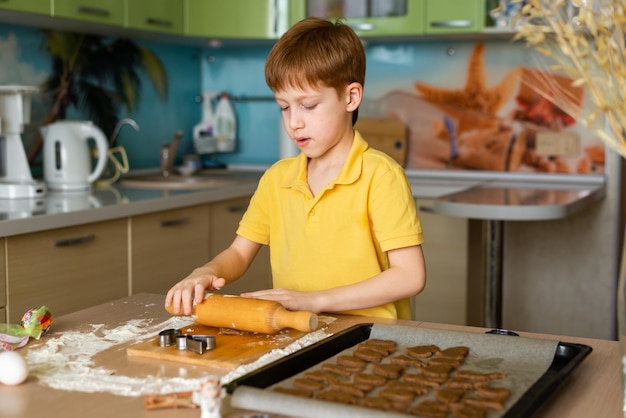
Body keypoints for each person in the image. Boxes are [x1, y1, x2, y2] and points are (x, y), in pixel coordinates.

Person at [165, 17, 426, 320]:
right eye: (284, 107)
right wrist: (204, 272)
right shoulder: (278, 179)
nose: (294, 122)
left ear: (351, 97)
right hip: (300, 333)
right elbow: (238, 253)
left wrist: (315, 300)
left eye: (309, 105)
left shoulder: (380, 176)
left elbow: (410, 276)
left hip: (370, 340)